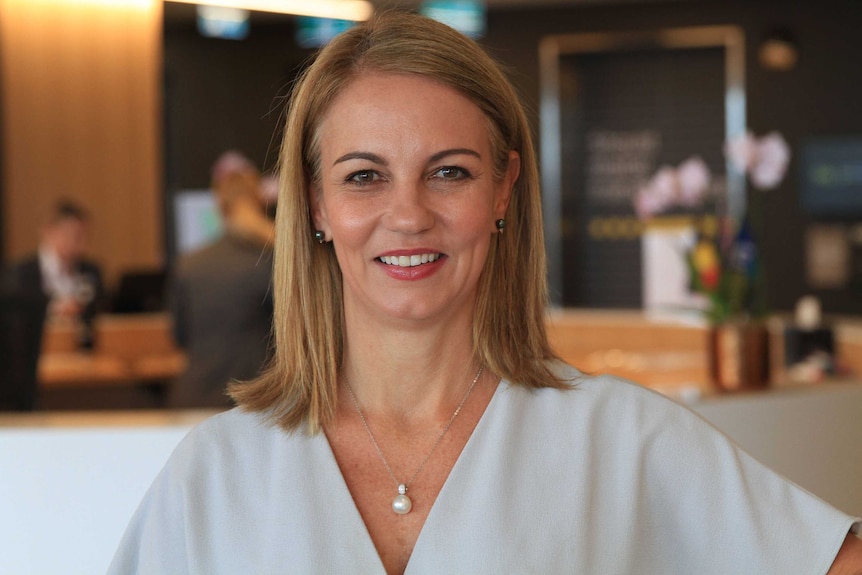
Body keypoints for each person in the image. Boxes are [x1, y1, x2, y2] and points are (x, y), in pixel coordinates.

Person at [109, 12, 862, 574]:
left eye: (450, 171)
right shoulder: (213, 473)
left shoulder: (624, 439)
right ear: (314, 204)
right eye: (364, 176)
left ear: (503, 189)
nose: (407, 214)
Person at [167, 150, 275, 409]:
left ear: (219, 205)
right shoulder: (274, 258)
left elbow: (179, 337)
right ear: (260, 201)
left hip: (195, 400)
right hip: (256, 403)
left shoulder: (189, 264)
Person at [3, 200, 104, 330]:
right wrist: (52, 309)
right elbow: (14, 315)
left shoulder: (91, 271)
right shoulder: (21, 273)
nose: (82, 245)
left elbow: (100, 313)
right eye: (75, 236)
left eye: (86, 236)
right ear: (49, 232)